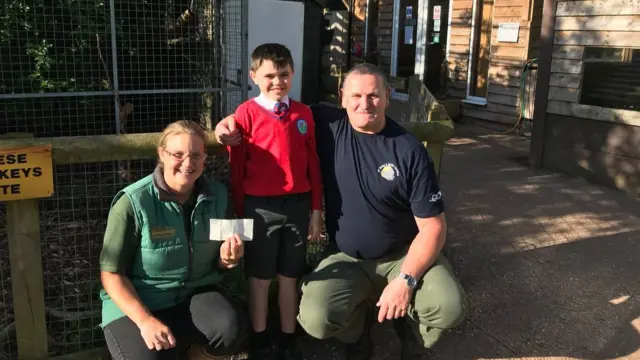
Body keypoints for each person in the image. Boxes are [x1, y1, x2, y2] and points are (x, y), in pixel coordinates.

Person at [215, 63, 468, 359]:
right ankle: (356, 335)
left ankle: (413, 338)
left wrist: (406, 280)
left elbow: (434, 227)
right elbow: (273, 109)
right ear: (342, 97)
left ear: (387, 96)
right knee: (315, 318)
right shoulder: (324, 123)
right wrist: (230, 122)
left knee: (449, 306)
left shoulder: (409, 150)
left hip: (402, 255)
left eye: (374, 96)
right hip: (346, 256)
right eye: (356, 95)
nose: (365, 104)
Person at [98, 120, 247, 360]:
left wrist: (227, 259)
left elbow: (222, 259)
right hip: (139, 300)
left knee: (229, 328)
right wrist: (145, 320)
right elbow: (111, 274)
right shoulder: (133, 203)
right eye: (178, 154)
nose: (188, 163)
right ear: (162, 154)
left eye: (196, 155)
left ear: (205, 158)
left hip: (192, 293)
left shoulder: (217, 195)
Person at [227, 43, 323, 360]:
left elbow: (313, 164)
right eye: (269, 75)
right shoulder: (245, 114)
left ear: (292, 73)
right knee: (259, 277)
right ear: (254, 76)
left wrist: (315, 209)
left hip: (297, 205)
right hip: (259, 207)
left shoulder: (303, 113)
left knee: (289, 275)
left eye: (283, 74)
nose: (277, 82)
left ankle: (287, 336)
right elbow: (237, 167)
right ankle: (259, 338)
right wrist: (240, 215)